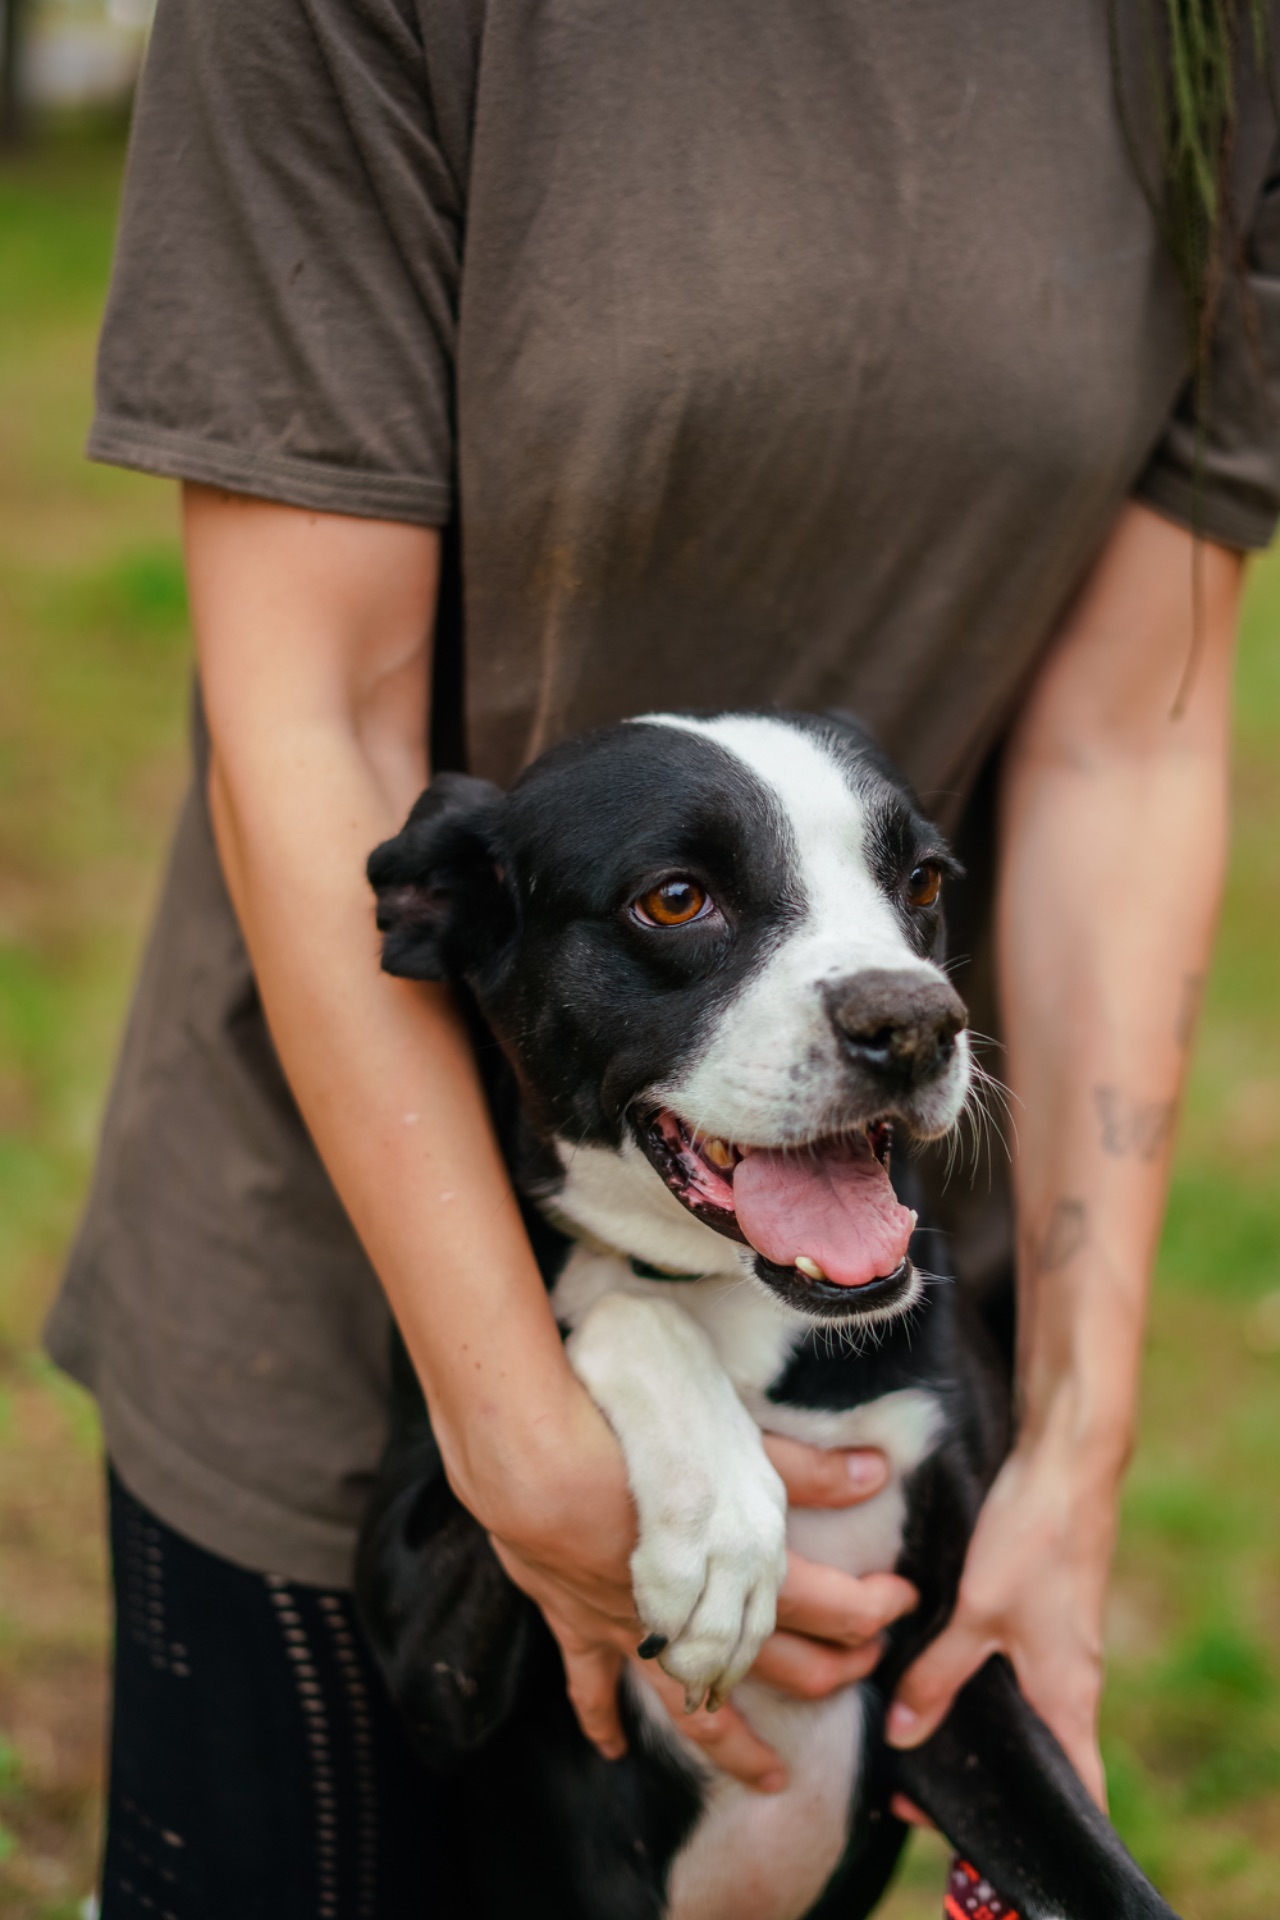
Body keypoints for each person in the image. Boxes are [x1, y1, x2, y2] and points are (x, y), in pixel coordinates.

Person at [46, 1, 1279, 1912]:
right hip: (359, 1216)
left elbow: (1135, 736)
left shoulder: (1219, 42)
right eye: (709, 904)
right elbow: (314, 714)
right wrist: (530, 1414)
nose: (901, 982)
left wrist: (1077, 1454)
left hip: (860, 1233)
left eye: (903, 908)